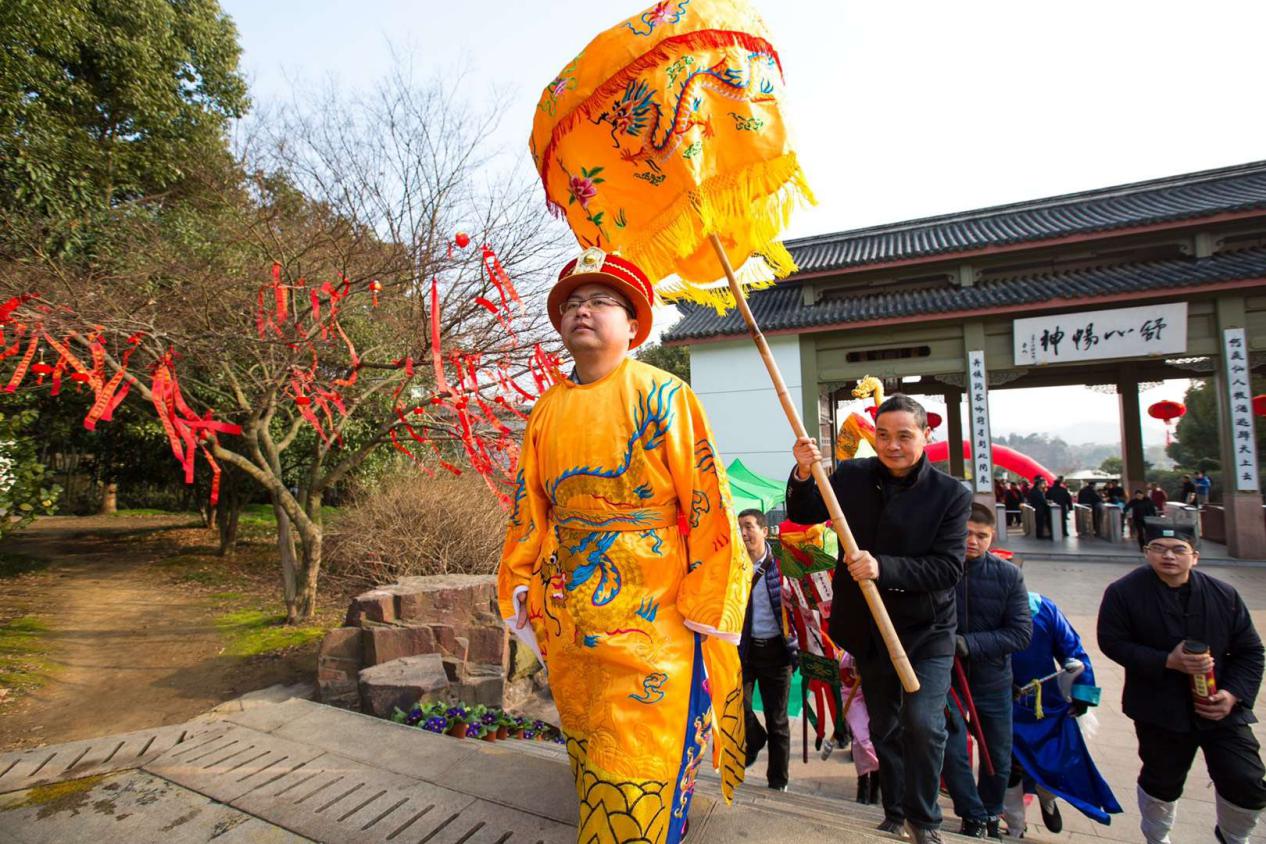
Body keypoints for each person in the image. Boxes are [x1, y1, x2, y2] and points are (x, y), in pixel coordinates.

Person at [497, 247, 752, 844]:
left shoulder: (667, 396)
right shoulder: (546, 410)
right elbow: (527, 508)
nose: (583, 311)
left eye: (600, 301)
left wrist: (710, 599)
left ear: (635, 325)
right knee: (590, 748)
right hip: (570, 610)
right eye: (572, 303)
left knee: (645, 750)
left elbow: (707, 502)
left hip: (654, 613)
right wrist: (519, 581)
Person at [788, 394, 971, 844]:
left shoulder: (950, 495)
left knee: (925, 724)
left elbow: (948, 568)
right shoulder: (851, 476)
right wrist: (804, 472)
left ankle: (925, 820)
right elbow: (804, 511)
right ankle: (894, 810)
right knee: (884, 725)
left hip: (925, 631)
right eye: (884, 435)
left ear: (926, 437)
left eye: (904, 436)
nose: (892, 446)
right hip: (868, 626)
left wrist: (882, 567)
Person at [1097, 523, 1266, 844]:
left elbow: (1251, 651)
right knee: (1162, 779)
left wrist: (1232, 695)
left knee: (1246, 779)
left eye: (1178, 550)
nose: (1168, 556)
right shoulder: (1123, 593)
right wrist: (1166, 661)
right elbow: (1112, 642)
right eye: (1158, 548)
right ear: (1146, 553)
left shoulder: (1224, 595)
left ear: (1195, 557)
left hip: (1221, 707)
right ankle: (1158, 837)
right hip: (1159, 708)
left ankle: (1235, 836)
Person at [941, 504, 1032, 839]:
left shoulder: (1008, 575)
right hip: (945, 677)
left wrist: (969, 644)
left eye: (981, 535)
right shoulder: (939, 568)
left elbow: (1021, 633)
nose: (972, 541)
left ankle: (992, 811)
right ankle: (971, 814)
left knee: (997, 755)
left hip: (991, 677)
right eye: (965, 533)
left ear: (992, 537)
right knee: (949, 748)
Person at [1006, 592, 1122, 837]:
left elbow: (1074, 652)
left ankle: (1047, 797)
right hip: (1001, 702)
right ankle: (1015, 827)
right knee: (1006, 766)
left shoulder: (1042, 608)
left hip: (1044, 706)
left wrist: (1083, 694)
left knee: (1051, 764)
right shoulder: (979, 605)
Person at [738, 508, 798, 792]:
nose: (744, 533)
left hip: (777, 653)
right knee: (738, 706)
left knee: (778, 720)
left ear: (765, 530)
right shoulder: (735, 567)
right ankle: (755, 738)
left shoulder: (783, 566)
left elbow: (800, 607)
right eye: (741, 528)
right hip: (747, 652)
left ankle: (778, 781)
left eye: (749, 526)